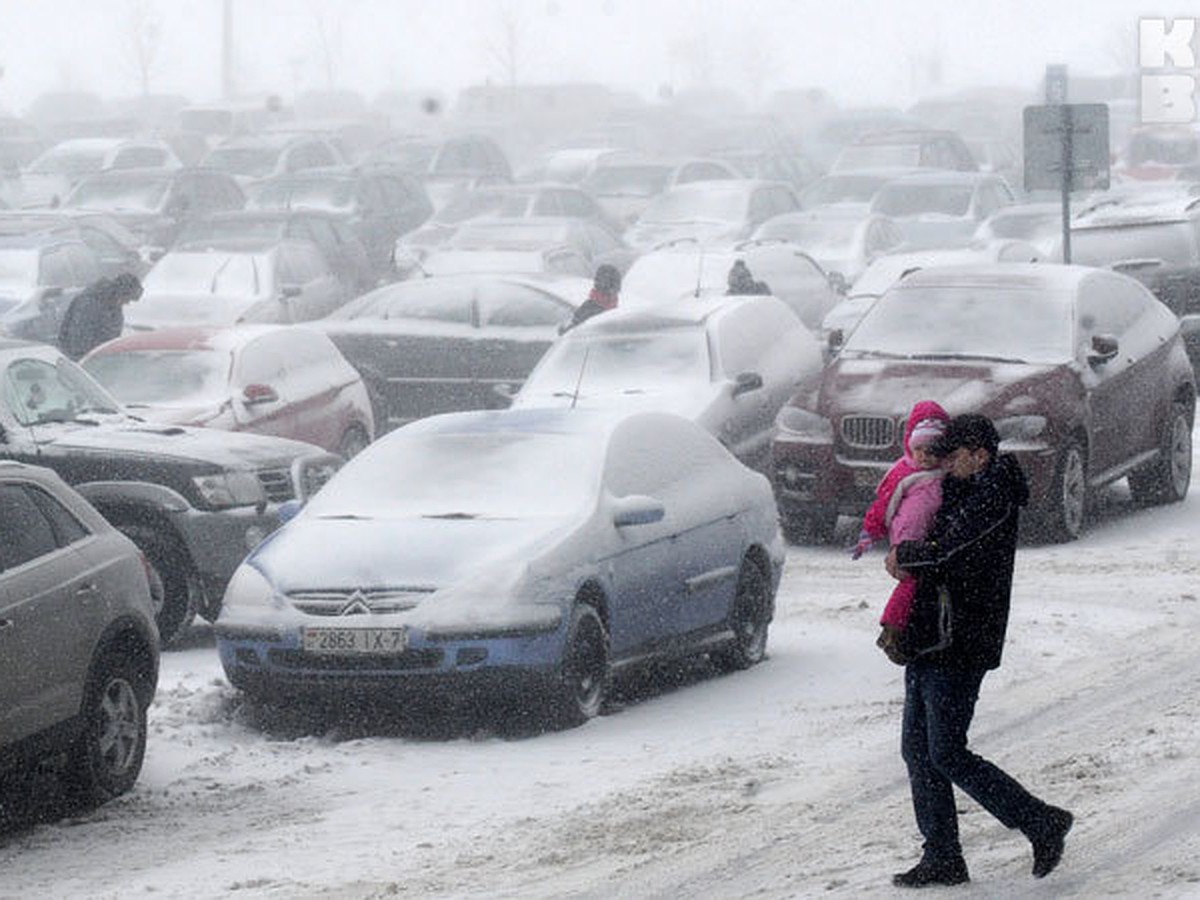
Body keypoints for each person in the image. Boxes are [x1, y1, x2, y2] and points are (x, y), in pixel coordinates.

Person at [884, 413, 1074, 888]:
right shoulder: (959, 487)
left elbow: (947, 550)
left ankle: (1040, 821)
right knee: (918, 751)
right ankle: (943, 856)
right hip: (932, 635)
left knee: (946, 751)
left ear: (979, 454)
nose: (944, 464)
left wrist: (906, 556)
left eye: (952, 456)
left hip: (964, 640)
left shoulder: (994, 494)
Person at [850, 400, 950, 664]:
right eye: (919, 449)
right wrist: (869, 534)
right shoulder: (905, 472)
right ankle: (893, 627)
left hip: (930, 537)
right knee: (912, 581)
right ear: (910, 445)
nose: (925, 456)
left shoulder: (946, 471)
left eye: (932, 450)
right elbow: (884, 504)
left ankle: (906, 628)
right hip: (908, 537)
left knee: (922, 584)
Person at [57, 273, 144, 361]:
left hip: (100, 359)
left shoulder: (113, 304)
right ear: (120, 293)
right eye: (127, 299)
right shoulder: (89, 303)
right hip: (83, 361)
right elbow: (78, 341)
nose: (127, 303)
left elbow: (112, 335)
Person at [561, 264, 621, 333]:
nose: (614, 292)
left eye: (616, 288)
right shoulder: (587, 310)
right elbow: (569, 333)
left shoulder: (617, 314)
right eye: (612, 287)